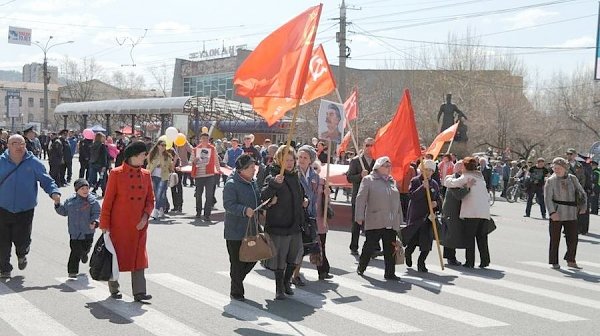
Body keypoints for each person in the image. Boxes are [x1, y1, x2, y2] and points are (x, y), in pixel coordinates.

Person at [99, 141, 154, 302]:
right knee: (115, 256)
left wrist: (145, 216)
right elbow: (108, 201)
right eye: (144, 154)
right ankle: (114, 288)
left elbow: (150, 200)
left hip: (139, 225)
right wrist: (104, 224)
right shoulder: (116, 174)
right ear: (134, 156)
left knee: (139, 257)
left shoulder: (146, 174)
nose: (146, 158)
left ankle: (139, 292)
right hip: (119, 224)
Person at [0, 135, 61, 279]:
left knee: (22, 239)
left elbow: (46, 180)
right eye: (14, 143)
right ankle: (4, 268)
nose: (18, 146)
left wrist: (54, 192)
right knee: (2, 240)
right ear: (8, 145)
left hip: (25, 209)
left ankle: (22, 254)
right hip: (2, 207)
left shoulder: (33, 162)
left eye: (21, 143)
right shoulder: (1, 162)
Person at [261, 145, 306, 300]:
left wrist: (304, 200)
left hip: (295, 223)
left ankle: (287, 281)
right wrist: (274, 183)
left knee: (294, 256)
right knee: (279, 258)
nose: (289, 163)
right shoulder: (273, 175)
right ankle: (279, 287)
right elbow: (264, 197)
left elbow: (301, 194)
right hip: (279, 224)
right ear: (279, 160)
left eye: (292, 160)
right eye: (286, 160)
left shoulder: (295, 176)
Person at [355, 156, 403, 280]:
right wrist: (359, 216)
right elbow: (360, 199)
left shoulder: (392, 181)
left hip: (390, 221)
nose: (388, 168)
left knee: (390, 247)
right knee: (369, 246)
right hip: (375, 218)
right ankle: (362, 266)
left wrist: (399, 218)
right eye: (385, 166)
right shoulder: (368, 180)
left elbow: (397, 201)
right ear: (378, 167)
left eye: (389, 165)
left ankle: (390, 273)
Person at [223, 154, 261, 301]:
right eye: (251, 167)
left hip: (252, 228)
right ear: (242, 169)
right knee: (237, 262)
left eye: (254, 167)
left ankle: (237, 279)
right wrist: (244, 210)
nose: (254, 170)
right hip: (235, 231)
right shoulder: (231, 184)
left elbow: (258, 198)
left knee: (255, 255)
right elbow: (228, 205)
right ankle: (236, 291)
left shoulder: (253, 182)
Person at [444, 157, 491, 268]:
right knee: (482, 237)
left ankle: (470, 262)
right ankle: (485, 261)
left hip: (472, 212)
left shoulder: (466, 177)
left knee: (470, 238)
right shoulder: (480, 177)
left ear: (465, 167)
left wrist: (448, 177)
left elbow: (449, 183)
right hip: (484, 212)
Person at [544, 157, 586, 269]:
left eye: (559, 168)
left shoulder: (573, 179)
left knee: (573, 238)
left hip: (571, 213)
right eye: (555, 168)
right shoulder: (551, 180)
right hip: (557, 213)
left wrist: (583, 206)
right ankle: (554, 261)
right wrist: (552, 212)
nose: (556, 170)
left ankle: (571, 260)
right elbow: (547, 199)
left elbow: (582, 193)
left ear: (565, 168)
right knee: (555, 239)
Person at [54, 178, 100, 278]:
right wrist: (57, 204)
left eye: (87, 188)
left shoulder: (92, 201)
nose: (85, 190)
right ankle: (72, 271)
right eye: (82, 188)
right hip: (74, 232)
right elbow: (64, 211)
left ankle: (84, 254)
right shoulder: (71, 201)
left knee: (85, 248)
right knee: (75, 251)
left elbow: (97, 213)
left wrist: (95, 222)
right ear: (76, 190)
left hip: (88, 232)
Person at [402, 159, 442, 273]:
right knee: (413, 239)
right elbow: (412, 196)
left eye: (430, 170)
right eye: (426, 170)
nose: (428, 172)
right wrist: (422, 188)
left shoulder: (434, 183)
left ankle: (421, 262)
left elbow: (438, 198)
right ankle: (408, 253)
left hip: (429, 217)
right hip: (417, 215)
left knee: (427, 242)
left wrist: (436, 204)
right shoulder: (415, 181)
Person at [346, 137, 377, 255]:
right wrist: (360, 175)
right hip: (358, 196)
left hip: (372, 197)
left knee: (372, 223)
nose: (369, 148)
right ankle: (354, 246)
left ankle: (372, 247)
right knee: (356, 222)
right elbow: (349, 178)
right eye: (367, 145)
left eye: (371, 145)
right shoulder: (356, 161)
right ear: (363, 146)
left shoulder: (376, 162)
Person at [441, 160, 475, 266]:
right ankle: (451, 258)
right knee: (451, 234)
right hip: (451, 210)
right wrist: (467, 187)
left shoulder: (459, 179)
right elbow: (458, 195)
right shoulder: (453, 179)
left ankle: (450, 256)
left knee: (452, 233)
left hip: (456, 210)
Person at [191, 132, 220, 221]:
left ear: (208, 140)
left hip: (210, 174)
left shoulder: (212, 148)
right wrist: (195, 160)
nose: (205, 140)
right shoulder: (195, 149)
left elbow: (216, 159)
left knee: (209, 195)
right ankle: (198, 212)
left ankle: (207, 214)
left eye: (206, 139)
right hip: (199, 175)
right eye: (203, 139)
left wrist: (218, 170)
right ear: (201, 139)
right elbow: (191, 162)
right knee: (198, 195)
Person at [147, 139, 175, 219]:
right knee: (159, 195)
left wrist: (174, 162)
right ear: (158, 145)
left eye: (165, 145)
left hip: (163, 176)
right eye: (162, 145)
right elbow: (149, 165)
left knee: (159, 194)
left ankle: (156, 211)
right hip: (153, 175)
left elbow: (170, 167)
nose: (163, 147)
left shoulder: (168, 156)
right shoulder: (152, 154)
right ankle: (162, 209)